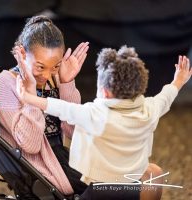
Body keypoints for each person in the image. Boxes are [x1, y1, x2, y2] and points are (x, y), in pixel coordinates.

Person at [16, 46, 192, 200]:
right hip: (128, 183)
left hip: (98, 190)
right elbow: (165, 98)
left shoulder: (95, 114)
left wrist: (28, 98)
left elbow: (60, 107)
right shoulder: (149, 109)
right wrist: (178, 81)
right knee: (155, 172)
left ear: (105, 92)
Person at [0, 15, 89, 197]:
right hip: (38, 169)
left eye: (55, 67)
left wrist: (67, 83)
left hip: (64, 159)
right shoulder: (3, 83)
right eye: (40, 67)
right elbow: (31, 145)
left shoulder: (55, 79)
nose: (46, 75)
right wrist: (30, 97)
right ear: (21, 53)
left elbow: (75, 133)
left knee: (143, 175)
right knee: (128, 188)